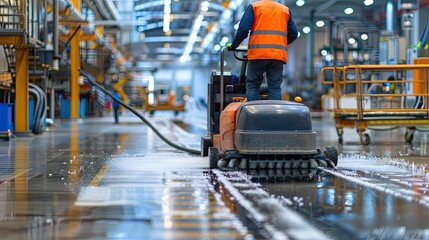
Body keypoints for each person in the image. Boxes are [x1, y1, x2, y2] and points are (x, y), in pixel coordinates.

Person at [227, 0, 298, 101]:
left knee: (253, 85)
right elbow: (294, 33)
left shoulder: (254, 7)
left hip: (258, 54)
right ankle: (275, 115)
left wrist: (234, 45)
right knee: (275, 87)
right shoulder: (285, 10)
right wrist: (280, 44)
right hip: (277, 56)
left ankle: (253, 115)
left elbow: (243, 29)